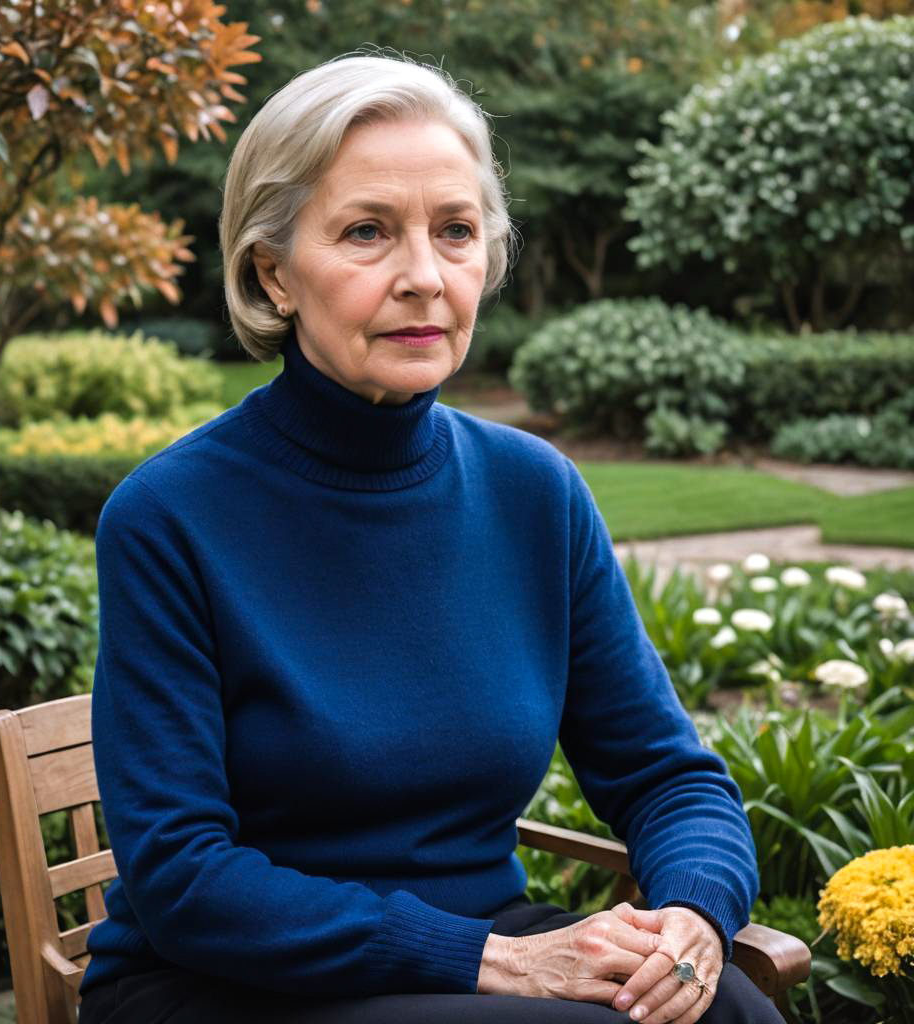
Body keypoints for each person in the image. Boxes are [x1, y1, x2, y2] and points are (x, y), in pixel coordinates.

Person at [77, 51, 784, 1024]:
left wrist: (691, 918)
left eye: (454, 231)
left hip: (476, 942)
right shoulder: (170, 516)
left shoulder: (534, 490)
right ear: (272, 272)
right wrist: (493, 959)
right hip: (230, 978)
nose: (423, 276)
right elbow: (182, 876)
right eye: (367, 231)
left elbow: (666, 774)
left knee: (729, 1008)